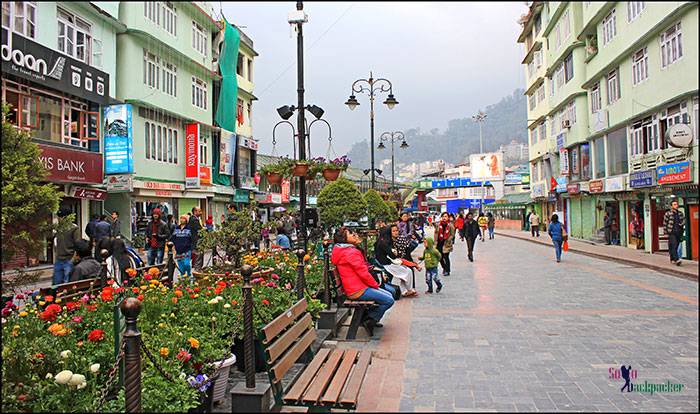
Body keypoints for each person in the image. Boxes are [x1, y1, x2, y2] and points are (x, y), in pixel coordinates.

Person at [331, 226, 394, 335]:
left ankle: (368, 318)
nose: (354, 234)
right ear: (344, 239)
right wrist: (375, 285)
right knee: (389, 300)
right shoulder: (350, 252)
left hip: (355, 287)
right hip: (357, 290)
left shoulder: (343, 250)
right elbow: (363, 273)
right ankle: (369, 319)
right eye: (351, 234)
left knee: (389, 294)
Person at [374, 224, 418, 297]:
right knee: (407, 272)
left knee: (408, 271)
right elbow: (392, 255)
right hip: (387, 264)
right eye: (393, 231)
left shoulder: (386, 240)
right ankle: (408, 290)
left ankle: (406, 290)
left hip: (391, 262)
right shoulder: (384, 242)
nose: (396, 233)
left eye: (397, 230)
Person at [53, 207, 82, 286]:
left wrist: (73, 258)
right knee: (56, 283)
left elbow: (78, 244)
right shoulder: (58, 228)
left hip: (69, 259)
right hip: (59, 259)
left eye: (60, 217)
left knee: (67, 284)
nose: (58, 219)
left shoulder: (74, 228)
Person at [171, 214, 194, 283]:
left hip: (187, 249)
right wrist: (173, 246)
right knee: (180, 264)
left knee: (187, 263)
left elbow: (192, 238)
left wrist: (191, 247)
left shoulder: (189, 229)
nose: (181, 220)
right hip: (178, 250)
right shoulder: (177, 228)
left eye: (183, 218)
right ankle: (183, 277)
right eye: (181, 218)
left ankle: (189, 274)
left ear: (186, 220)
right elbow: (173, 238)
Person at [663, 199, 685, 266]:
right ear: (671, 206)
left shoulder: (680, 213)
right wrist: (665, 233)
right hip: (671, 232)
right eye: (674, 204)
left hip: (678, 232)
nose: (676, 206)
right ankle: (676, 259)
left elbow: (684, 220)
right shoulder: (668, 213)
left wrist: (681, 224)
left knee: (675, 246)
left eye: (676, 204)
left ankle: (672, 258)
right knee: (674, 245)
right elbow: (665, 223)